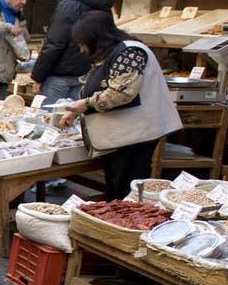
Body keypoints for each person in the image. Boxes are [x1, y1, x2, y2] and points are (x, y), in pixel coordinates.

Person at [58, 10, 182, 200]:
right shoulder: (111, 54)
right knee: (116, 187)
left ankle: (127, 226)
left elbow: (121, 94)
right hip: (120, 138)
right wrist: (75, 112)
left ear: (97, 38)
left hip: (134, 137)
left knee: (127, 190)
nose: (82, 49)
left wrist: (86, 104)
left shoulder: (129, 51)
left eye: (83, 43)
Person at [32, 0, 115, 105]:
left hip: (59, 76)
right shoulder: (101, 6)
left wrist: (38, 76)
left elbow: (54, 44)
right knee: (72, 123)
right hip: (86, 74)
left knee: (48, 121)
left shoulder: (68, 4)